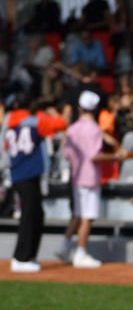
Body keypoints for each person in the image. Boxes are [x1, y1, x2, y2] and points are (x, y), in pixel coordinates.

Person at [4, 92, 67, 272]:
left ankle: (29, 256)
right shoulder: (36, 120)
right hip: (28, 173)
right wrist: (50, 112)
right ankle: (21, 257)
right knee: (29, 216)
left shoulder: (9, 121)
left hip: (17, 172)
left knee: (37, 215)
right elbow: (61, 124)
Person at [57, 90, 112, 268]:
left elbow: (66, 153)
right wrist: (117, 157)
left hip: (77, 176)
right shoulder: (94, 129)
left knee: (79, 214)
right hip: (89, 177)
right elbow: (95, 156)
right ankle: (80, 252)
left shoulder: (72, 129)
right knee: (87, 216)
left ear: (80, 108)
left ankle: (64, 247)